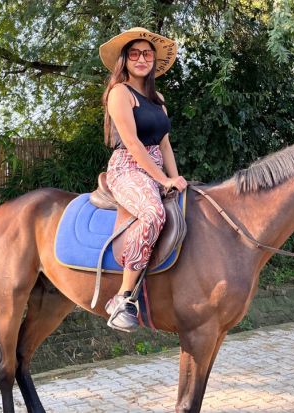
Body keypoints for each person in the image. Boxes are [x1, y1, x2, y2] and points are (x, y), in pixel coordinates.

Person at [99, 27, 187, 332]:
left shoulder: (158, 98)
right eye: (134, 54)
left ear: (153, 61)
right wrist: (163, 180)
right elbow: (134, 144)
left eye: (146, 54)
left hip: (157, 168)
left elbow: (164, 144)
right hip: (128, 167)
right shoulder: (120, 93)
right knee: (152, 213)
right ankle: (123, 298)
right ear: (125, 60)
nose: (141, 59)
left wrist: (176, 179)